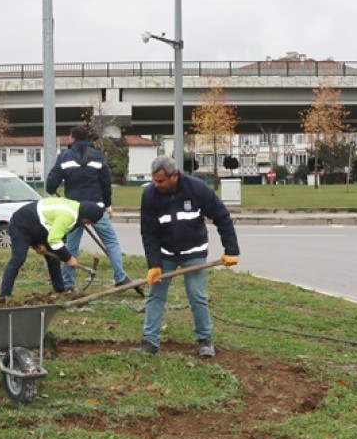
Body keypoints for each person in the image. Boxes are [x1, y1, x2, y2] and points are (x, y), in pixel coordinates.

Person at [135, 155, 240, 358]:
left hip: (194, 252)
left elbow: (222, 217)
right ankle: (150, 341)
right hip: (165, 254)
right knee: (156, 295)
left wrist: (231, 250)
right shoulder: (150, 195)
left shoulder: (197, 189)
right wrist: (154, 264)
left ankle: (205, 340)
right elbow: (149, 233)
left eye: (160, 181)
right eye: (154, 180)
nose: (156, 185)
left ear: (174, 176)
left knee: (196, 294)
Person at [45, 124, 139, 295]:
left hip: (73, 210)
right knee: (111, 242)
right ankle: (120, 277)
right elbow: (105, 184)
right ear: (87, 139)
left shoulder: (64, 157)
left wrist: (54, 190)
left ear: (72, 138)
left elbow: (50, 185)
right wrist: (108, 204)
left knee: (70, 246)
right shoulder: (98, 156)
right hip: (96, 208)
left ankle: (68, 283)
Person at [0, 197, 104, 299]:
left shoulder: (76, 210)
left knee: (54, 257)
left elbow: (52, 234)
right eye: (90, 221)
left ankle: (59, 290)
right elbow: (54, 240)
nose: (89, 224)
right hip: (21, 224)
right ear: (86, 216)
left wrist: (38, 244)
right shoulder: (68, 216)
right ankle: (4, 295)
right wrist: (69, 258)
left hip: (39, 226)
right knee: (18, 258)